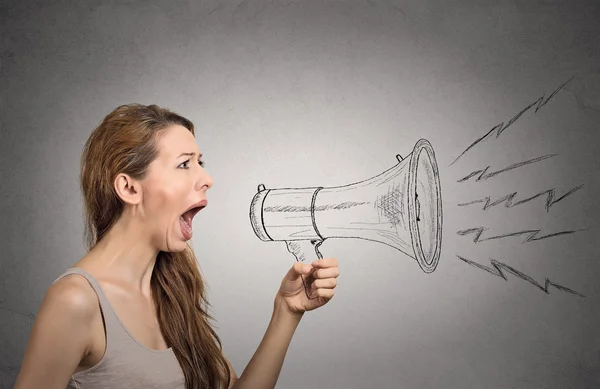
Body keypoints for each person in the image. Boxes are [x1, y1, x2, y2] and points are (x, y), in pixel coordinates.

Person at [13, 103, 340, 389]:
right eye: (185, 164)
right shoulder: (76, 301)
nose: (207, 178)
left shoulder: (172, 288)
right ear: (128, 188)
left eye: (201, 162)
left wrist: (286, 311)